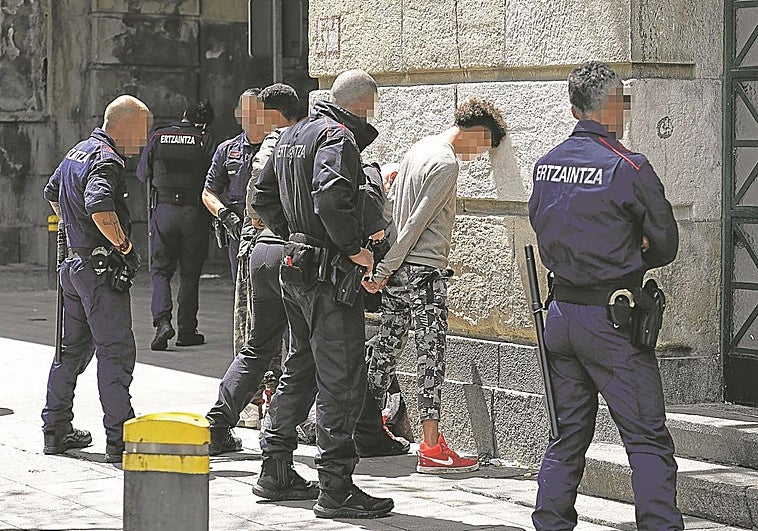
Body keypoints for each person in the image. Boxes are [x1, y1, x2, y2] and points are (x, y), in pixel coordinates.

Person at [527, 61, 683, 530]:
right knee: (647, 439)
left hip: (561, 315)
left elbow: (542, 225)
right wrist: (632, 248)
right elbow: (666, 244)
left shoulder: (546, 164)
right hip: (612, 321)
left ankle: (550, 523)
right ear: (614, 107)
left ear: (575, 108)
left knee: (567, 435)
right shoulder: (629, 166)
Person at [251, 69, 394, 519]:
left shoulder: (291, 135)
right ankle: (336, 488)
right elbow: (330, 199)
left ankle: (275, 469)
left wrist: (295, 235)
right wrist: (353, 249)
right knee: (341, 378)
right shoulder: (337, 136)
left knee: (301, 367)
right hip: (328, 277)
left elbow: (261, 196)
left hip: (296, 267)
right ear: (363, 106)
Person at [362, 98, 507, 474]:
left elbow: (392, 211)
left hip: (397, 272)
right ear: (478, 133)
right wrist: (385, 267)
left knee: (386, 350)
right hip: (423, 272)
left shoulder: (418, 149)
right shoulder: (446, 162)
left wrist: (385, 266)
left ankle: (364, 426)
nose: (477, 157)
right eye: (483, 148)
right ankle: (431, 447)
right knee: (431, 356)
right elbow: (417, 223)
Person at [41, 95, 150, 463]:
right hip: (100, 271)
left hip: (74, 268)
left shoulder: (78, 151)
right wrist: (124, 246)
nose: (143, 140)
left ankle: (56, 429)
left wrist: (75, 232)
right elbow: (99, 205)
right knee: (115, 351)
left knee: (69, 352)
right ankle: (120, 438)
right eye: (141, 130)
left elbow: (52, 193)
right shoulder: (106, 159)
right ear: (124, 125)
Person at [204, 84, 301, 455]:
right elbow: (243, 195)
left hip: (261, 246)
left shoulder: (277, 143)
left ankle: (221, 421)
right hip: (269, 247)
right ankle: (274, 427)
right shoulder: (286, 143)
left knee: (260, 342)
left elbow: (258, 197)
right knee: (276, 338)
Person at [136, 100, 215, 351]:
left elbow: (142, 173)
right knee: (190, 274)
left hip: (164, 211)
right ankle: (187, 331)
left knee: (160, 271)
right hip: (194, 213)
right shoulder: (205, 139)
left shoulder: (157, 136)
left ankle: (162, 323)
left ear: (183, 115)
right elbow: (215, 176)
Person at [202, 88, 266, 284]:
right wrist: (224, 215)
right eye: (244, 110)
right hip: (239, 234)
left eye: (254, 110)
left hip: (271, 232)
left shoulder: (278, 146)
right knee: (242, 288)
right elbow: (208, 192)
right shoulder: (228, 149)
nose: (249, 116)